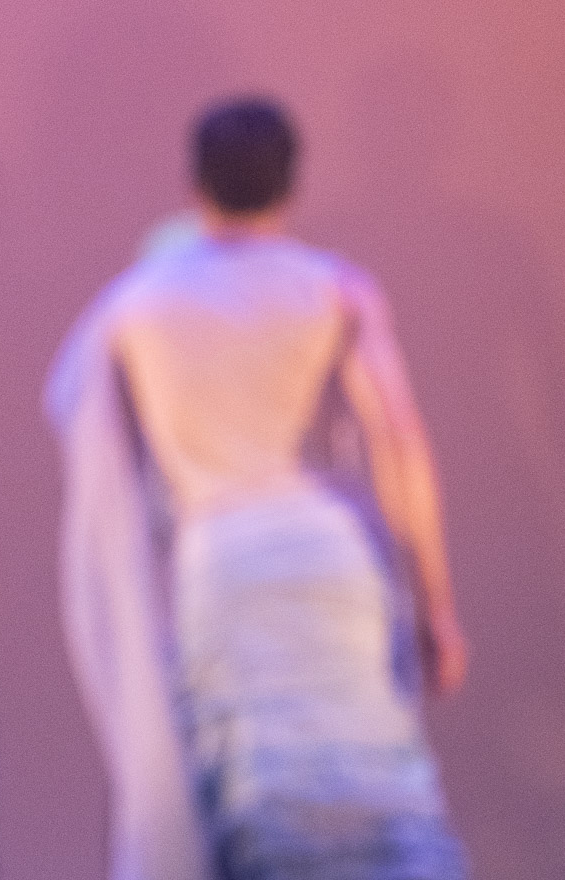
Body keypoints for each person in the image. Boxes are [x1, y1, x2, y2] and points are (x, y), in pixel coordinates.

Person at [45, 100, 468, 880]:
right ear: (291, 184)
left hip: (221, 564)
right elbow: (398, 441)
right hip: (327, 556)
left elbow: (103, 454)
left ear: (193, 186)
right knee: (375, 799)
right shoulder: (333, 290)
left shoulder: (136, 307)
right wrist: (434, 605)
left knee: (259, 810)